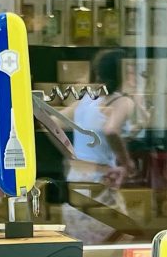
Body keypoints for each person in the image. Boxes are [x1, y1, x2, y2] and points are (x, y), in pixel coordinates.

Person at [62, 49, 148, 243]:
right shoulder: (122, 101)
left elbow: (52, 122)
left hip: (76, 179)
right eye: (130, 70)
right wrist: (126, 162)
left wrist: (69, 155)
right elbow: (111, 130)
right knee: (123, 237)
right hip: (100, 180)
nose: (134, 76)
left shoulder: (86, 100)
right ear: (121, 72)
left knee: (85, 244)